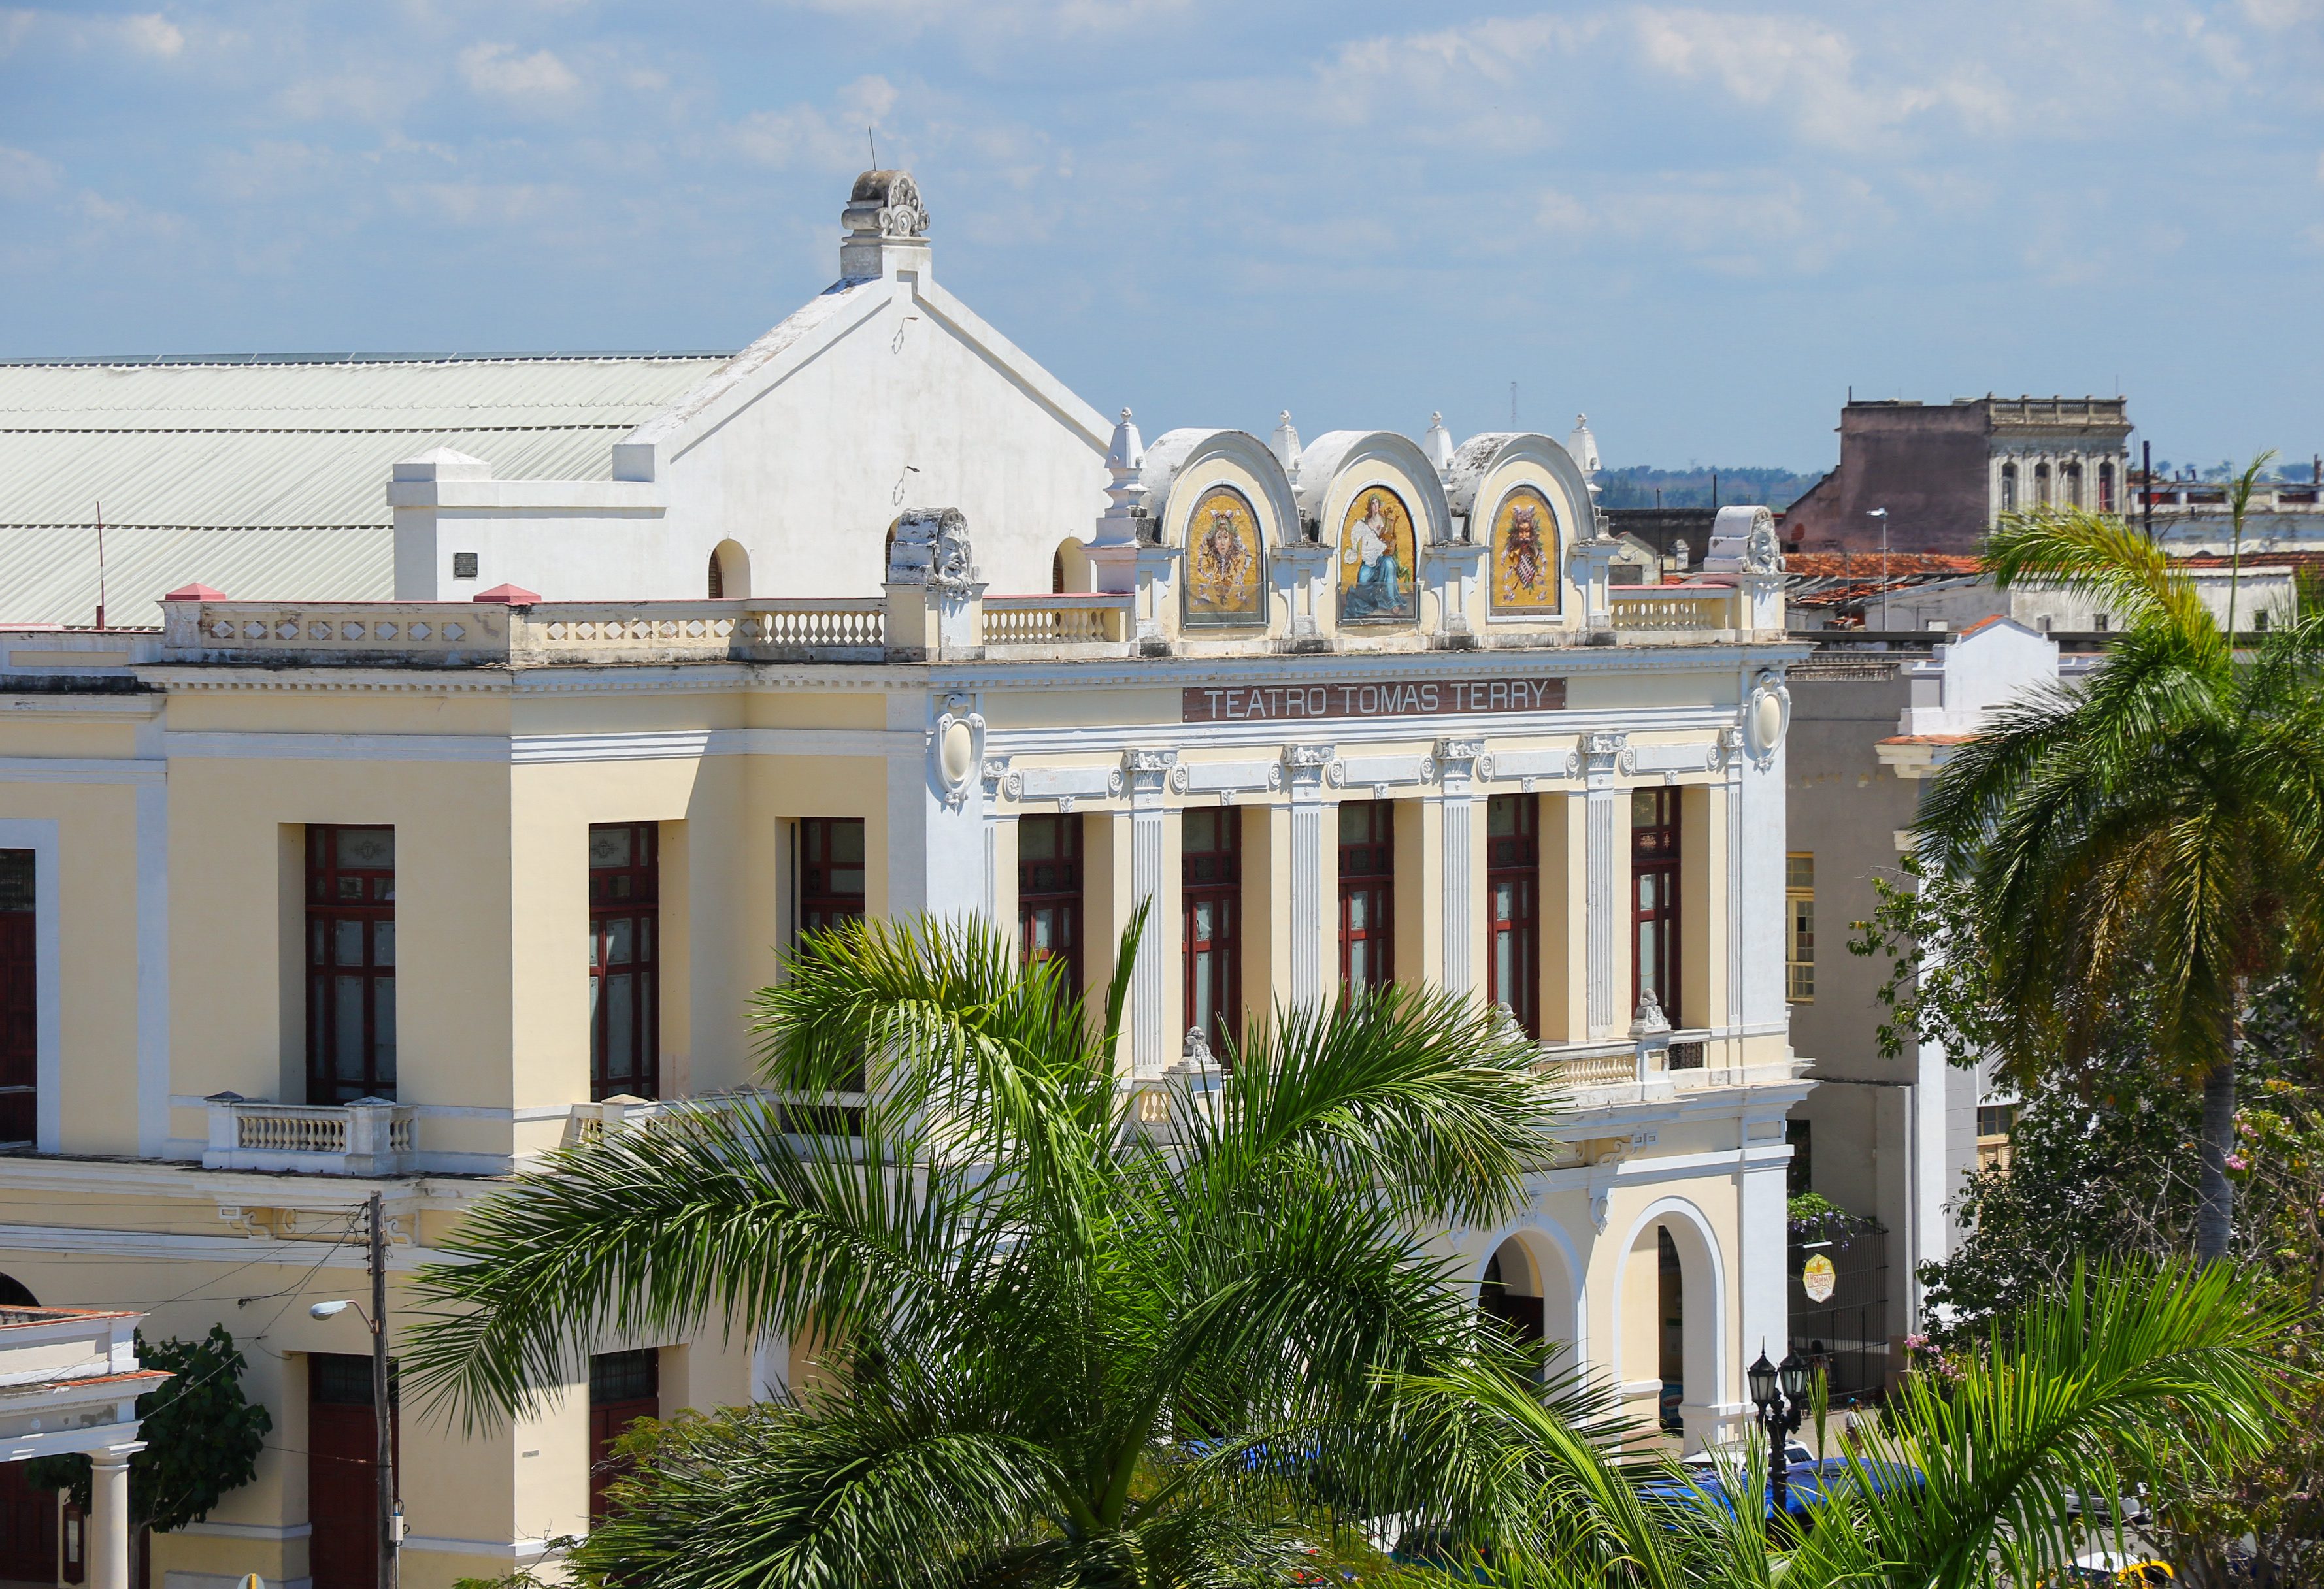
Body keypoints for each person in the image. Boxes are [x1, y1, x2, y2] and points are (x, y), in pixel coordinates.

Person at [1342, 493, 1407, 619]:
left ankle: (1391, 601)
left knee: (1390, 565)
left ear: (1380, 505)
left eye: (1377, 503)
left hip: (1383, 557)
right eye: (1373, 503)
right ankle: (1372, 601)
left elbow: (1393, 540)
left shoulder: (1387, 522)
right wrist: (1353, 552)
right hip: (1369, 561)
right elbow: (1354, 539)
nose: (1375, 506)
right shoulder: (1363, 524)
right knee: (1363, 581)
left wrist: (1390, 543)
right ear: (1370, 506)